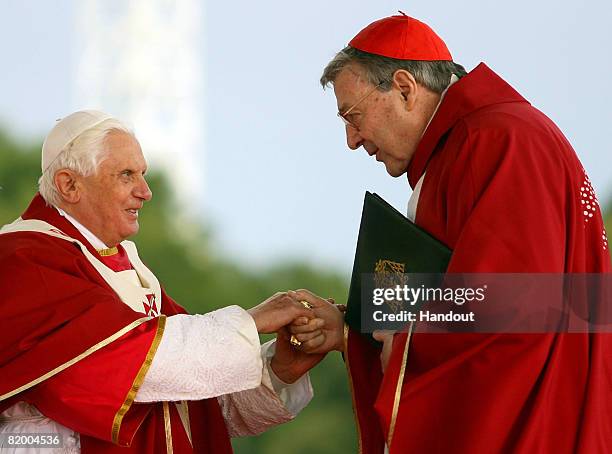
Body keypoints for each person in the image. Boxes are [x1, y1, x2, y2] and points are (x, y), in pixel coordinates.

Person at [316, 12, 611, 453]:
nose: (352, 140)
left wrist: (405, 341)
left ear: (404, 87)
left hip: (540, 424)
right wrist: (350, 327)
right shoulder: (466, 145)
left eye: (353, 116)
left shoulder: (499, 141)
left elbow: (517, 303)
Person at [0, 110, 344, 453]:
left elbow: (190, 400)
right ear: (69, 184)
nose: (145, 192)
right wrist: (252, 321)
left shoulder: (125, 266)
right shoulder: (24, 258)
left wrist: (282, 367)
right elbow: (133, 365)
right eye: (126, 175)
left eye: (143, 174)